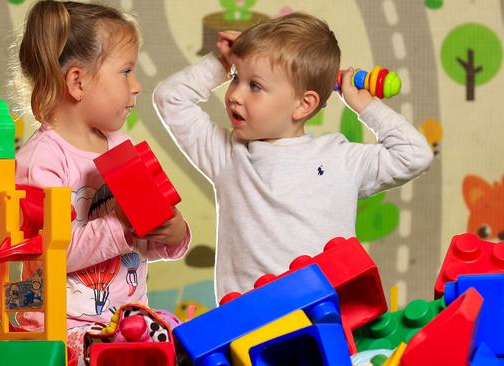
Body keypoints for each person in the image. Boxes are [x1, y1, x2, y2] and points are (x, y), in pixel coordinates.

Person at [153, 12, 433, 301]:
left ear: (303, 105)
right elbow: (170, 97)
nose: (235, 94)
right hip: (247, 323)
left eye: (255, 86)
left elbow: (414, 155)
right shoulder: (228, 154)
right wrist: (222, 63)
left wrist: (366, 106)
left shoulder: (340, 158)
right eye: (236, 79)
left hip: (325, 318)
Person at [13, 2, 190, 364]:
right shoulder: (42, 160)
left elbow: (142, 237)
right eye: (126, 72)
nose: (137, 86)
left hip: (124, 322)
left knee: (177, 338)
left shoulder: (120, 146)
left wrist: (172, 233)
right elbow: (48, 255)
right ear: (77, 81)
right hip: (59, 328)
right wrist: (123, 223)